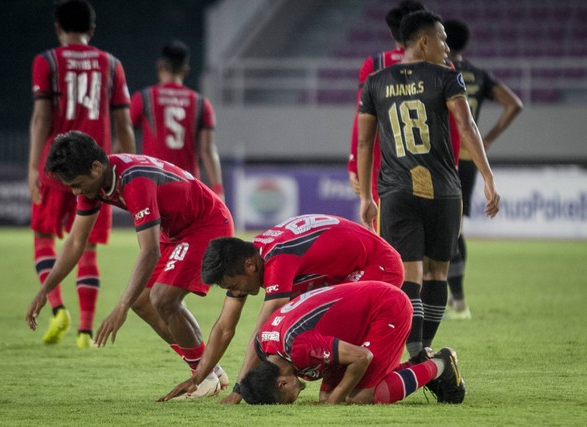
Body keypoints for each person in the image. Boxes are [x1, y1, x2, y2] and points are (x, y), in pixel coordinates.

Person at [25, 131, 233, 398]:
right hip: (176, 230)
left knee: (163, 298)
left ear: (96, 167)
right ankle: (209, 368)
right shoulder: (96, 182)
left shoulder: (135, 180)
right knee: (143, 301)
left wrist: (119, 308)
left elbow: (149, 252)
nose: (77, 192)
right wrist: (45, 291)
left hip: (206, 224)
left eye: (77, 184)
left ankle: (202, 376)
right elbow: (76, 242)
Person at [357, 11, 500, 360]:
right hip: (442, 189)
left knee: (409, 275)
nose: (447, 47)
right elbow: (467, 128)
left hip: (396, 190)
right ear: (423, 42)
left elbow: (364, 144)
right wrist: (488, 177)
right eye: (442, 39)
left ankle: (415, 351)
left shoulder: (375, 82)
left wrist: (365, 196)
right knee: (437, 272)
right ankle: (421, 350)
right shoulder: (447, 78)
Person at [159, 214, 404, 403]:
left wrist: (239, 390)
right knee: (330, 381)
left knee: (360, 393)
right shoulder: (248, 258)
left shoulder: (279, 259)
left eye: (234, 285)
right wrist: (198, 378)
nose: (236, 291)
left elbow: (261, 334)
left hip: (379, 266)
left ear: (250, 267)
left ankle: (427, 366)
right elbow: (224, 327)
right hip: (345, 272)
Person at [27, 0, 136, 348]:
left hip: (56, 168)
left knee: (44, 237)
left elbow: (42, 117)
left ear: (58, 28)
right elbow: (124, 123)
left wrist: (32, 166)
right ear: (92, 29)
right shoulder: (112, 64)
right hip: (93, 170)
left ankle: (56, 307)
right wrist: (127, 167)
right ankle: (86, 332)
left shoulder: (47, 61)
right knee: (87, 247)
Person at [238, 281, 465, 405]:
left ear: (281, 384)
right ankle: (419, 362)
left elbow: (361, 357)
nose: (293, 400)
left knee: (361, 396)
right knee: (328, 395)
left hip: (386, 308)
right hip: (360, 318)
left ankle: (441, 364)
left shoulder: (299, 348)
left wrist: (335, 401)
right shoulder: (267, 343)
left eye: (287, 401)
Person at [443, 19, 523, 320]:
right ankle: (459, 301)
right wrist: (485, 139)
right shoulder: (476, 75)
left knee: (441, 229)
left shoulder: (438, 73)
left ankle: (453, 301)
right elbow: (514, 104)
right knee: (455, 229)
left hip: (439, 157)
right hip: (467, 157)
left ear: (442, 41)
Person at [347, 1, 425, 199]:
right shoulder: (441, 67)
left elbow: (361, 117)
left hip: (383, 161)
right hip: (429, 161)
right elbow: (456, 123)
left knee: (382, 228)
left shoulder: (375, 64)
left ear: (392, 33)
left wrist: (354, 161)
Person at [130, 40, 225, 200]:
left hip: (154, 183)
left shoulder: (145, 98)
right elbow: (208, 151)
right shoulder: (201, 103)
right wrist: (218, 189)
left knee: (153, 225)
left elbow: (124, 134)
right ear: (186, 69)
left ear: (160, 65)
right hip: (187, 184)